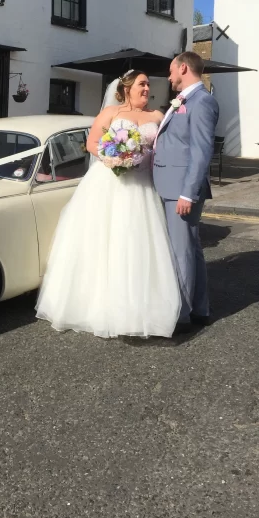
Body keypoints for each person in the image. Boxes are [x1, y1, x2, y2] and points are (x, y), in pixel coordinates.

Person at [36, 70, 181, 338]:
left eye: (149, 84)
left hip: (142, 187)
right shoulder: (111, 113)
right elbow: (91, 143)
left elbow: (165, 148)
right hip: (108, 184)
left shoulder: (157, 117)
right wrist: (114, 158)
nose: (147, 88)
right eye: (142, 84)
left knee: (137, 244)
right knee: (103, 241)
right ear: (127, 88)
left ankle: (138, 310)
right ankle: (95, 306)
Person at [153, 52, 219, 330]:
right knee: (191, 250)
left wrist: (187, 193)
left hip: (180, 188)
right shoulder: (185, 100)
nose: (169, 77)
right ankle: (200, 310)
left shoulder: (202, 101)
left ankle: (180, 316)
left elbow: (202, 152)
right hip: (172, 183)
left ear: (183, 68)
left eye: (171, 71)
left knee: (182, 252)